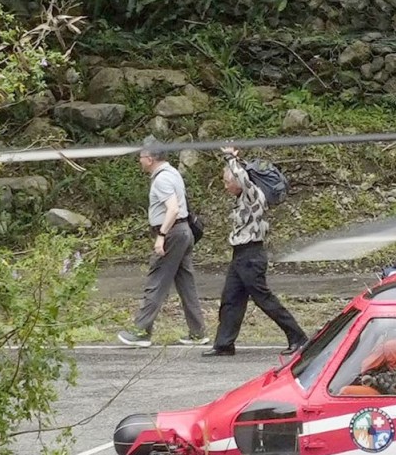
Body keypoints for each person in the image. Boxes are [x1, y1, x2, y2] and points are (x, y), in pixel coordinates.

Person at [203, 149, 308, 357]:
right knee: (231, 298)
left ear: (238, 180)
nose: (225, 187)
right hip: (240, 254)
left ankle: (298, 337)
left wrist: (231, 158)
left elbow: (242, 176)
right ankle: (224, 344)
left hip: (251, 255)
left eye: (226, 182)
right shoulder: (244, 197)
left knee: (264, 299)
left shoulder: (253, 194)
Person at [117, 138, 206, 347]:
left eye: (141, 157)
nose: (139, 160)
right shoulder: (173, 173)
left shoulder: (162, 180)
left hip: (173, 233)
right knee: (186, 284)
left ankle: (141, 331)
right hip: (183, 232)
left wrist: (162, 235)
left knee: (156, 280)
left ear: (149, 158)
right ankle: (197, 332)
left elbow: (173, 209)